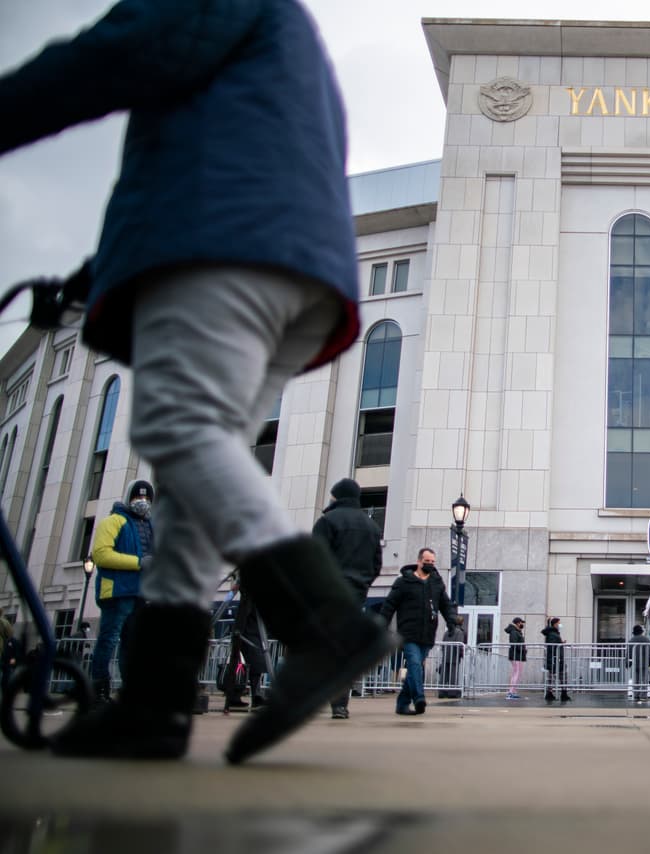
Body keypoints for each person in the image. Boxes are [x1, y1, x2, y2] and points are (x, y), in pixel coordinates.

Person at [4, 0, 391, 764]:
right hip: (290, 259)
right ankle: (155, 701)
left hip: (225, 241)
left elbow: (122, 51)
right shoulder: (282, 32)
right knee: (188, 485)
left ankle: (326, 625)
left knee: (178, 431)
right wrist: (92, 275)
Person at [312, 478, 383, 719]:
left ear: (336, 496)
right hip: (355, 593)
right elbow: (376, 565)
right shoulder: (371, 526)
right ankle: (339, 703)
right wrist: (362, 584)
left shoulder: (327, 521)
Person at [86, 479, 154, 706]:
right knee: (108, 640)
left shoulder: (150, 525)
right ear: (129, 498)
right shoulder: (113, 522)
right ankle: (99, 688)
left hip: (140, 593)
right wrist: (138, 562)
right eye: (138, 497)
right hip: (117, 592)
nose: (142, 502)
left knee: (132, 644)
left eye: (146, 498)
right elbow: (101, 554)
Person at [380, 548, 458, 715]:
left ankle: (402, 704)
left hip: (427, 634)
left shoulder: (436, 582)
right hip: (408, 633)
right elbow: (389, 605)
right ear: (419, 561)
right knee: (414, 664)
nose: (430, 564)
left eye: (432, 562)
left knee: (416, 668)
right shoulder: (403, 582)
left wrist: (452, 621)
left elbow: (445, 604)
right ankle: (419, 698)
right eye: (426, 562)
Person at [222, 586, 268, 713]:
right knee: (247, 668)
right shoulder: (249, 599)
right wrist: (238, 633)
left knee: (249, 668)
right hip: (248, 636)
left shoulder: (249, 600)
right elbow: (243, 617)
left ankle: (238, 696)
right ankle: (245, 696)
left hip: (250, 635)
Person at [542, 617, 570, 703]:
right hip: (555, 659)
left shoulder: (553, 633)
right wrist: (560, 645)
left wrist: (561, 643)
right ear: (555, 624)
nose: (560, 625)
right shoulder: (552, 634)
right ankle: (561, 694)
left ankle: (553, 693)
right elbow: (553, 647)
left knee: (552, 676)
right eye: (559, 623)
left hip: (554, 658)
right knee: (560, 675)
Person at [437, 618, 465, 699]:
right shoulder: (459, 632)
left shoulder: (446, 632)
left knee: (444, 675)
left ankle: (441, 692)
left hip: (446, 656)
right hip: (454, 656)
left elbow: (443, 645)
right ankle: (452, 692)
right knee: (453, 675)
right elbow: (459, 645)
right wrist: (461, 654)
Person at [626, 624, 650, 700]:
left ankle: (636, 694)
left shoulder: (631, 640)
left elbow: (628, 653)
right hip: (645, 663)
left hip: (635, 663)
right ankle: (644, 695)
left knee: (636, 679)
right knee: (644, 679)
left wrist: (628, 663)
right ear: (641, 631)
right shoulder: (646, 640)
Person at [504, 617, 527, 700]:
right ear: (517, 623)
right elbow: (514, 644)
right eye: (521, 623)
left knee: (516, 673)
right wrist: (523, 649)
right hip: (516, 655)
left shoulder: (516, 631)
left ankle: (512, 691)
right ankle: (511, 692)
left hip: (517, 655)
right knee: (516, 673)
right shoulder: (514, 632)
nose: (522, 624)